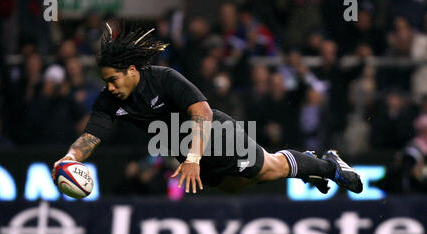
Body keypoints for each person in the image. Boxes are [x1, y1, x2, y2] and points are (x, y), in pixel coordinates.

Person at [52, 23, 363, 195]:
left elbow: (202, 113)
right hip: (181, 148)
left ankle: (327, 166)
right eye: (105, 81)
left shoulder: (163, 78)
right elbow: (91, 137)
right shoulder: (109, 100)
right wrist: (70, 157)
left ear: (132, 70)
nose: (109, 87)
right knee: (236, 186)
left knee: (266, 169)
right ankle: (306, 166)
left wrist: (193, 159)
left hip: (216, 136)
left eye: (113, 79)